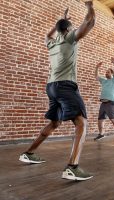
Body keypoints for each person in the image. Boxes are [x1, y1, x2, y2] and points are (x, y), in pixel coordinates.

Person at [19, 2, 95, 180]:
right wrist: (90, 7)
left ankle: (29, 153)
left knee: (55, 123)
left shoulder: (51, 43)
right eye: (71, 26)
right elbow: (89, 22)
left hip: (51, 87)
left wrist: (60, 22)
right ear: (68, 29)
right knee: (81, 122)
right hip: (65, 86)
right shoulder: (69, 38)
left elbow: (47, 34)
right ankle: (72, 167)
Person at [93, 58, 114, 144]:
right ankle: (101, 134)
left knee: (113, 119)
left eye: (108, 72)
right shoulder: (104, 81)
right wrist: (97, 67)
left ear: (112, 73)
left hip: (111, 103)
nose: (106, 73)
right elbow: (96, 76)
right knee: (100, 119)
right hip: (103, 103)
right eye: (106, 72)